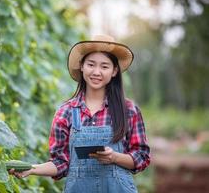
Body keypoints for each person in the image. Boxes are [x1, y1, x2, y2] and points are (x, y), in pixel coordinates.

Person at [9, 35, 150, 193]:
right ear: (82, 66)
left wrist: (115, 157)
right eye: (91, 64)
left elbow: (141, 156)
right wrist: (32, 169)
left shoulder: (128, 110)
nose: (96, 72)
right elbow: (60, 163)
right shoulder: (66, 112)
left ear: (114, 71)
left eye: (104, 66)